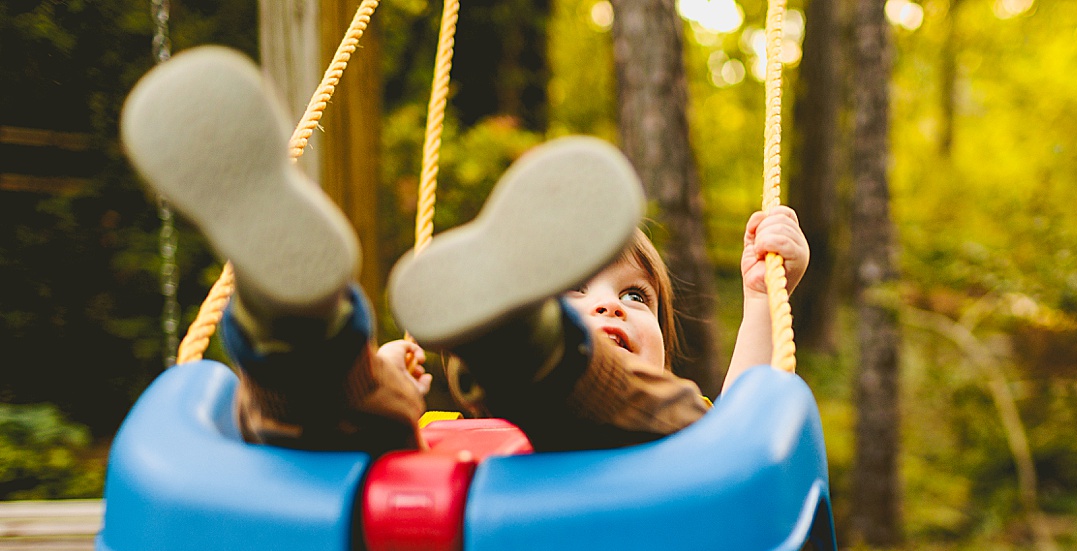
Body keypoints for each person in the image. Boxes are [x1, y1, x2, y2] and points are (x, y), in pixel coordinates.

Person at [120, 46, 809, 456]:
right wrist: (383, 381)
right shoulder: (453, 437)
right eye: (573, 290)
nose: (610, 308)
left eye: (635, 296)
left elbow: (754, 412)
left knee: (678, 425)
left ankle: (512, 334)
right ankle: (299, 316)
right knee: (349, 421)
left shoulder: (686, 437)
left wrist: (758, 297)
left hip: (634, 477)